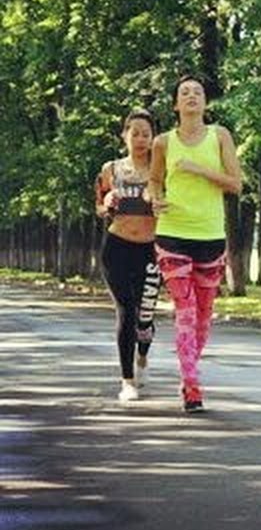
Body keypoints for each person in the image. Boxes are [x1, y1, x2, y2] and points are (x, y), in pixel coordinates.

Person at [147, 75, 242, 413]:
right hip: (173, 233)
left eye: (197, 92)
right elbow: (155, 181)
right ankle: (192, 385)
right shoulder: (162, 142)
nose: (191, 97)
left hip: (211, 237)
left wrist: (198, 169)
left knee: (203, 317)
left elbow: (235, 183)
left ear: (205, 102)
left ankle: (189, 372)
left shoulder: (219, 137)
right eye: (184, 93)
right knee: (185, 311)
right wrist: (154, 199)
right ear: (176, 104)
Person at [95, 109, 161, 403]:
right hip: (117, 248)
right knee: (126, 311)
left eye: (146, 133)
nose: (140, 138)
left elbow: (171, 202)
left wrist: (162, 204)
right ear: (125, 135)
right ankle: (127, 381)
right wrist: (106, 201)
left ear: (153, 138)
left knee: (144, 317)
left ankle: (142, 358)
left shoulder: (161, 170)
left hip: (150, 250)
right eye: (135, 132)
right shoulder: (111, 169)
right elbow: (98, 207)